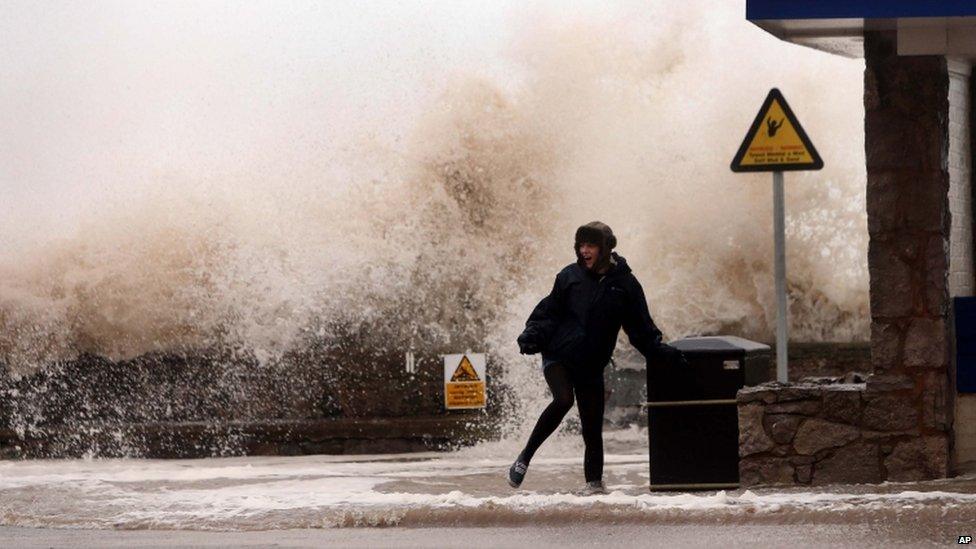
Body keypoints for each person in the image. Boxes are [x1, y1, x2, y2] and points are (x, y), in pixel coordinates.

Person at [510, 221, 685, 495]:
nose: (584, 251)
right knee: (564, 399)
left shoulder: (625, 286)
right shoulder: (569, 277)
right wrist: (531, 336)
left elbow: (641, 331)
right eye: (580, 245)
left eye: (590, 245)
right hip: (559, 356)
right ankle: (525, 457)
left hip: (591, 364)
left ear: (605, 248)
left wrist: (662, 353)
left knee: (592, 427)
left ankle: (594, 484)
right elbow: (548, 312)